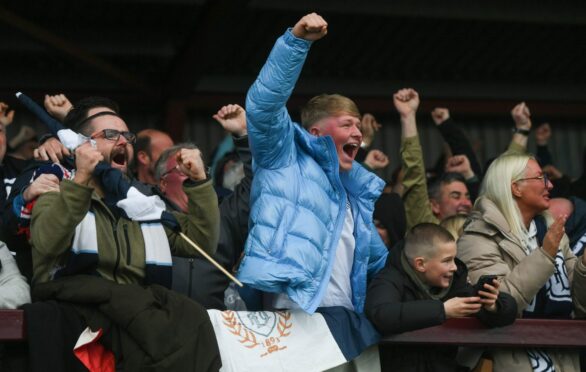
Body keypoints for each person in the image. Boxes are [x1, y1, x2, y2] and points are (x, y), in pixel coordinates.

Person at [237, 13, 388, 314]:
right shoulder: (283, 157)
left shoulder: (354, 193)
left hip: (343, 322)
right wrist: (296, 41)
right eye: (347, 125)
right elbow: (263, 105)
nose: (357, 133)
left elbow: (381, 265)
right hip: (289, 314)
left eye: (359, 126)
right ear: (315, 133)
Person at [29, 96, 220, 285]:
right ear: (82, 146)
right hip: (77, 310)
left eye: (127, 137)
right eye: (111, 134)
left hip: (142, 311)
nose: (123, 142)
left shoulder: (143, 204)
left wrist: (199, 181)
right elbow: (46, 243)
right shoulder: (55, 188)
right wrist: (81, 178)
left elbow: (201, 242)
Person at [458, 153, 586, 371]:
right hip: (507, 360)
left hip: (563, 360)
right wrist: (545, 255)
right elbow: (498, 303)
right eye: (540, 178)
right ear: (516, 188)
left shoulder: (552, 233)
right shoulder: (478, 237)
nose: (551, 184)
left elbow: (581, 305)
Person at [365, 223, 516, 371]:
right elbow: (381, 315)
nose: (454, 267)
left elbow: (508, 311)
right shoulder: (389, 279)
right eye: (446, 261)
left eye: (454, 259)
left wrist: (493, 306)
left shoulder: (455, 282)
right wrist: (443, 310)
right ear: (420, 264)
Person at [155, 104, 252, 309]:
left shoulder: (225, 215)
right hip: (159, 327)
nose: (194, 173)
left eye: (199, 168)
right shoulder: (148, 216)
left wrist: (243, 134)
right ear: (163, 182)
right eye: (183, 167)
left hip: (213, 328)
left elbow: (259, 183)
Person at [395, 89, 473, 229]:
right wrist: (408, 117)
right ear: (435, 206)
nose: (466, 203)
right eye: (456, 196)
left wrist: (468, 174)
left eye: (467, 196)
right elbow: (414, 176)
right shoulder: (428, 227)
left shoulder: (476, 232)